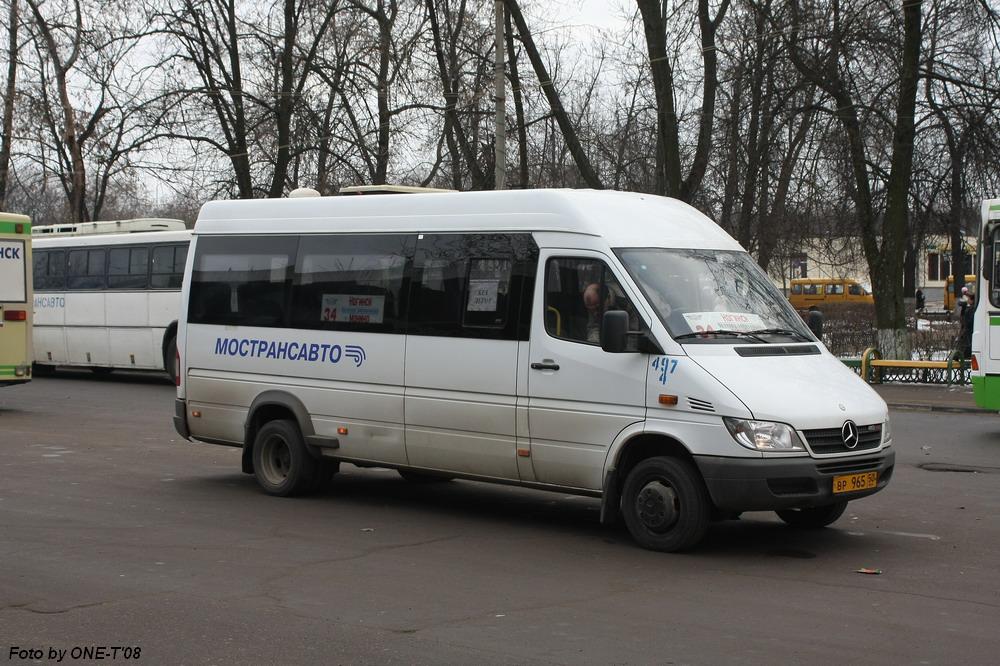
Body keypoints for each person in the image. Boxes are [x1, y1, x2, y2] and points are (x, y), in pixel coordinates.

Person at [960, 292, 975, 359]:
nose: (968, 300)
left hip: (969, 331)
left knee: (968, 345)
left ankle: (966, 357)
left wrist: (966, 325)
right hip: (968, 330)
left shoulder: (972, 309)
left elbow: (969, 321)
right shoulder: (971, 308)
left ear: (972, 300)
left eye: (969, 299)